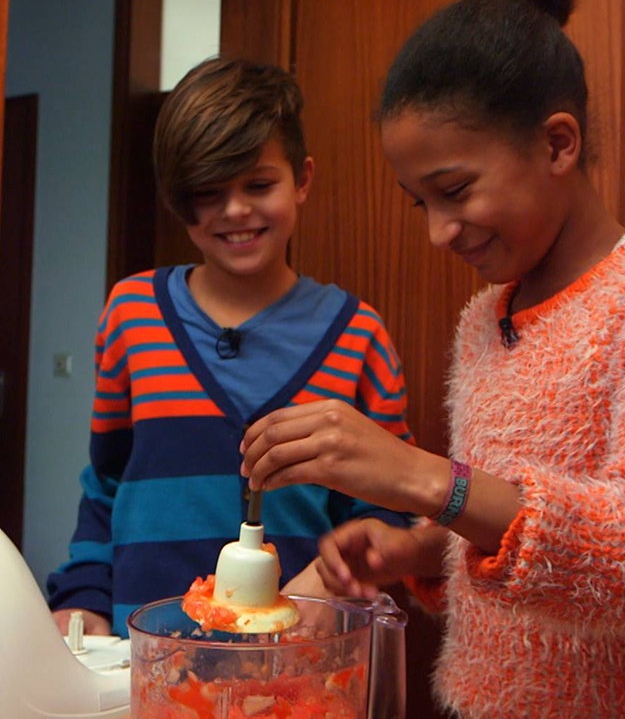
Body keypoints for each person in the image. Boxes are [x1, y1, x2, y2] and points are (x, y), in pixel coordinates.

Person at [240, 0, 625, 718]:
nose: (438, 232)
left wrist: (424, 480)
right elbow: (522, 548)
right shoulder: (485, 319)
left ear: (557, 144)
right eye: (419, 202)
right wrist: (422, 548)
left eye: (454, 191)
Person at [47, 57, 413, 638]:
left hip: (299, 662)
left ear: (303, 179)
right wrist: (83, 600)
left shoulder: (358, 335)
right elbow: (105, 485)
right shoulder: (130, 313)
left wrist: (335, 577)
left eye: (259, 185)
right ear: (178, 199)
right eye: (209, 192)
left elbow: (389, 510)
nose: (236, 210)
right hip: (142, 657)